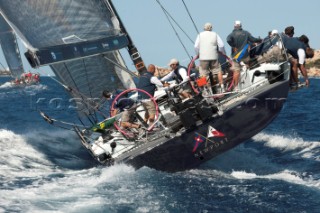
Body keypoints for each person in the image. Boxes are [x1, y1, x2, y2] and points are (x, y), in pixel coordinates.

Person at [227, 20, 262, 90]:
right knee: (248, 66)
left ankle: (236, 87)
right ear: (241, 26)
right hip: (245, 55)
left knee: (236, 70)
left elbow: (228, 40)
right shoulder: (246, 33)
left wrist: (233, 46)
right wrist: (260, 40)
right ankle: (249, 83)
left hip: (236, 56)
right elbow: (253, 39)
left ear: (234, 26)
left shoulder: (231, 34)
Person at [194, 22, 226, 93]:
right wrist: (221, 53)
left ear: (204, 28)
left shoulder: (200, 35)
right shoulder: (215, 34)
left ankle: (207, 90)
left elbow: (196, 46)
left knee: (203, 73)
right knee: (218, 71)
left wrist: (198, 54)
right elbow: (221, 45)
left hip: (203, 57)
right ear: (211, 28)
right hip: (213, 56)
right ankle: (222, 87)